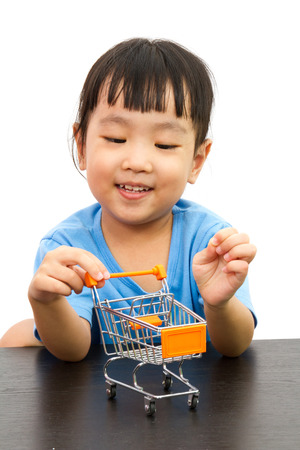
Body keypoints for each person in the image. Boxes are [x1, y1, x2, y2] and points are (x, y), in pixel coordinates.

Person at [0, 38, 257, 359]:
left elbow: (235, 346)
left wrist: (219, 304)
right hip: (98, 396)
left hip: (192, 395)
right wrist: (45, 302)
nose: (137, 161)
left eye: (164, 144)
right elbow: (73, 350)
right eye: (115, 138)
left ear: (196, 161)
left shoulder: (209, 241)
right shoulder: (66, 245)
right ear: (82, 146)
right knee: (14, 338)